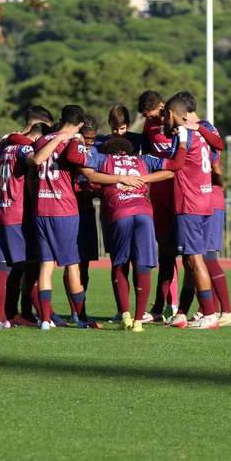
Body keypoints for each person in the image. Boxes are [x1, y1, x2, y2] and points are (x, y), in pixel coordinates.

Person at [83, 136, 173, 332]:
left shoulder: (102, 159)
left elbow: (87, 173)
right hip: (144, 213)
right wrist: (143, 179)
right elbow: (171, 170)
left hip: (119, 213)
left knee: (120, 263)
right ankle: (139, 320)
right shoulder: (143, 159)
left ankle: (125, 315)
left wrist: (114, 179)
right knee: (143, 266)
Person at [0, 121, 66, 328]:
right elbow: (35, 159)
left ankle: (2, 319)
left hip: (1, 211)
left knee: (3, 266)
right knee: (30, 267)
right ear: (37, 138)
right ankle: (45, 316)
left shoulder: (6, 149)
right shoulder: (24, 149)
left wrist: (8, 136)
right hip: (17, 214)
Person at [33, 105, 100, 330]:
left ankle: (45, 319)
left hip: (41, 208)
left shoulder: (43, 140)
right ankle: (81, 318)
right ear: (80, 124)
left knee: (46, 266)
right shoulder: (73, 142)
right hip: (64, 210)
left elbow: (37, 161)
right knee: (72, 265)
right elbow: (85, 166)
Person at [162, 92, 220, 330]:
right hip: (205, 201)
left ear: (172, 114)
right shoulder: (203, 134)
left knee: (195, 259)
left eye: (165, 116)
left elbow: (174, 166)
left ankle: (210, 313)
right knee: (189, 260)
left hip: (190, 203)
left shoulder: (184, 135)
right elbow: (215, 153)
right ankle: (182, 314)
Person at [185, 104, 231, 328]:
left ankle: (226, 311)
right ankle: (208, 309)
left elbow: (216, 167)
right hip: (208, 198)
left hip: (209, 199)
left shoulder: (200, 129)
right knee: (199, 258)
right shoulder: (206, 129)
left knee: (208, 257)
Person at [138, 90, 179, 323]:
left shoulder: (178, 124)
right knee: (164, 250)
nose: (151, 119)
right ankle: (160, 307)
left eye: (152, 115)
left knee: (190, 255)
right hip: (159, 194)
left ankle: (193, 308)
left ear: (162, 107)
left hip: (181, 193)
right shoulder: (148, 125)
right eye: (147, 117)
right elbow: (146, 154)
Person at [65, 114, 101, 324]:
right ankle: (74, 312)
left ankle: (81, 309)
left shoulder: (95, 151)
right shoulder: (70, 148)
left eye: (92, 138)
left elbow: (96, 177)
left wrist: (96, 190)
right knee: (72, 262)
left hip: (87, 211)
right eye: (86, 137)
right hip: (70, 210)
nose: (89, 142)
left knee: (84, 264)